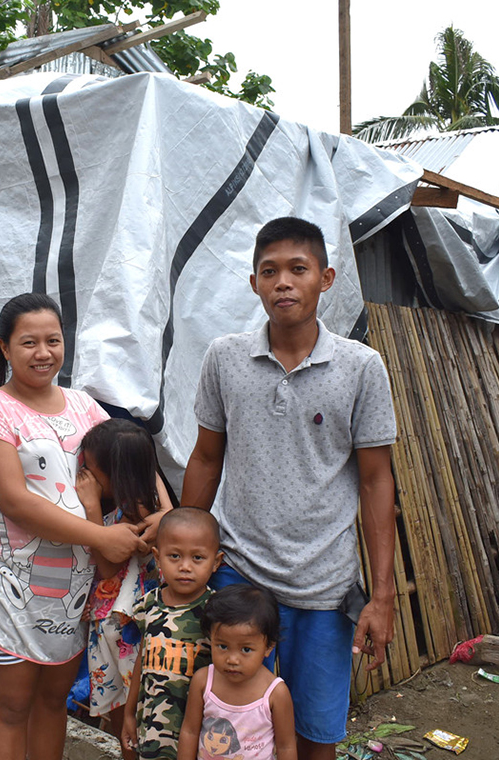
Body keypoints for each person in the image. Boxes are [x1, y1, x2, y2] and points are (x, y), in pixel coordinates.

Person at [181, 217, 398, 760]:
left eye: (297, 269)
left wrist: (383, 594)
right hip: (240, 579)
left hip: (324, 590)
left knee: (312, 739)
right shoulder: (225, 357)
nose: (283, 282)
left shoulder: (360, 367)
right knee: (226, 730)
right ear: (253, 283)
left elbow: (376, 480)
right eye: (269, 271)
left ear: (325, 278)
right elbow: (207, 457)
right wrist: (179, 552)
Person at [0, 293, 149, 760]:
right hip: (12, 583)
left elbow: (128, 454)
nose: (43, 353)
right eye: (29, 342)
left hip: (72, 586)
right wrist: (101, 536)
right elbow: (16, 502)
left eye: (53, 340)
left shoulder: (84, 406)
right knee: (11, 706)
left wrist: (161, 510)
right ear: (4, 347)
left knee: (52, 701)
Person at [76, 418, 173, 738]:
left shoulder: (132, 516)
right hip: (123, 628)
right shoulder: (155, 504)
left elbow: (107, 568)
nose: (85, 473)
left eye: (90, 467)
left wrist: (91, 508)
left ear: (115, 475)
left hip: (122, 629)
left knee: (128, 717)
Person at [121, 507, 224, 760]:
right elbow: (142, 662)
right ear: (157, 557)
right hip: (152, 729)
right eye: (175, 556)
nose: (185, 567)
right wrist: (128, 713)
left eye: (198, 558)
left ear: (216, 562)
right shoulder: (149, 605)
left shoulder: (216, 613)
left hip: (200, 735)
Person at [177, 584, 298, 760]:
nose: (232, 659)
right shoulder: (203, 681)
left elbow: (286, 746)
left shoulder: (275, 693)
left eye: (246, 649)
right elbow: (189, 731)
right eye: (223, 646)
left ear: (268, 647)